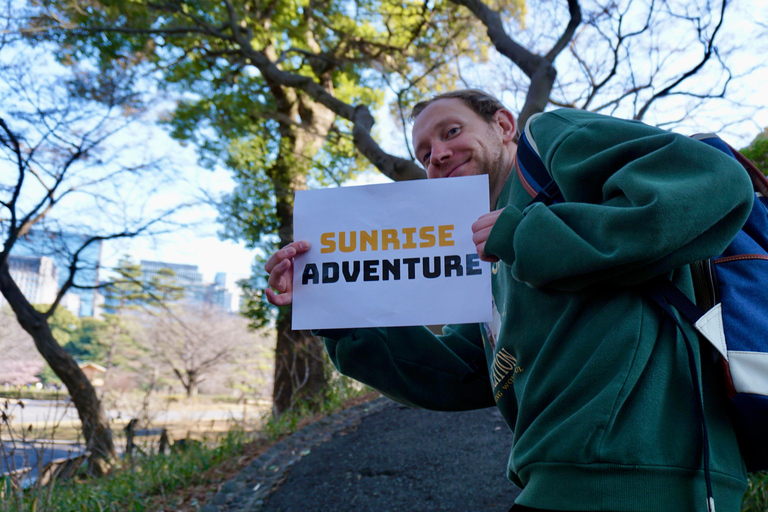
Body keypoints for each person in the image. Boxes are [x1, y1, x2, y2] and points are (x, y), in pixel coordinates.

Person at [265, 89, 754, 512]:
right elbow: (465, 373)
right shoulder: (486, 253)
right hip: (551, 479)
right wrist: (335, 309)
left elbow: (713, 182)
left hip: (647, 474)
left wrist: (526, 237)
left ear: (503, 124)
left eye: (451, 130)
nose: (436, 154)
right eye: (423, 153)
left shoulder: (549, 138)